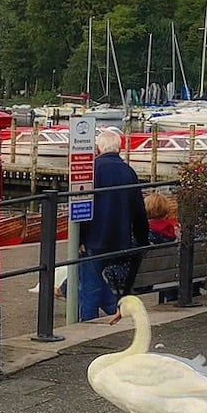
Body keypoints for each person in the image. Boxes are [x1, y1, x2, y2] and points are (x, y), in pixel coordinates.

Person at [79, 128, 149, 321]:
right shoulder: (128, 171)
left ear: (98, 148)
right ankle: (114, 310)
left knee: (89, 285)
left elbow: (84, 206)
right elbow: (138, 209)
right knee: (91, 280)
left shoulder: (92, 170)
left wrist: (80, 237)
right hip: (120, 237)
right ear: (119, 147)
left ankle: (88, 323)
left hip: (94, 237)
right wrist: (142, 239)